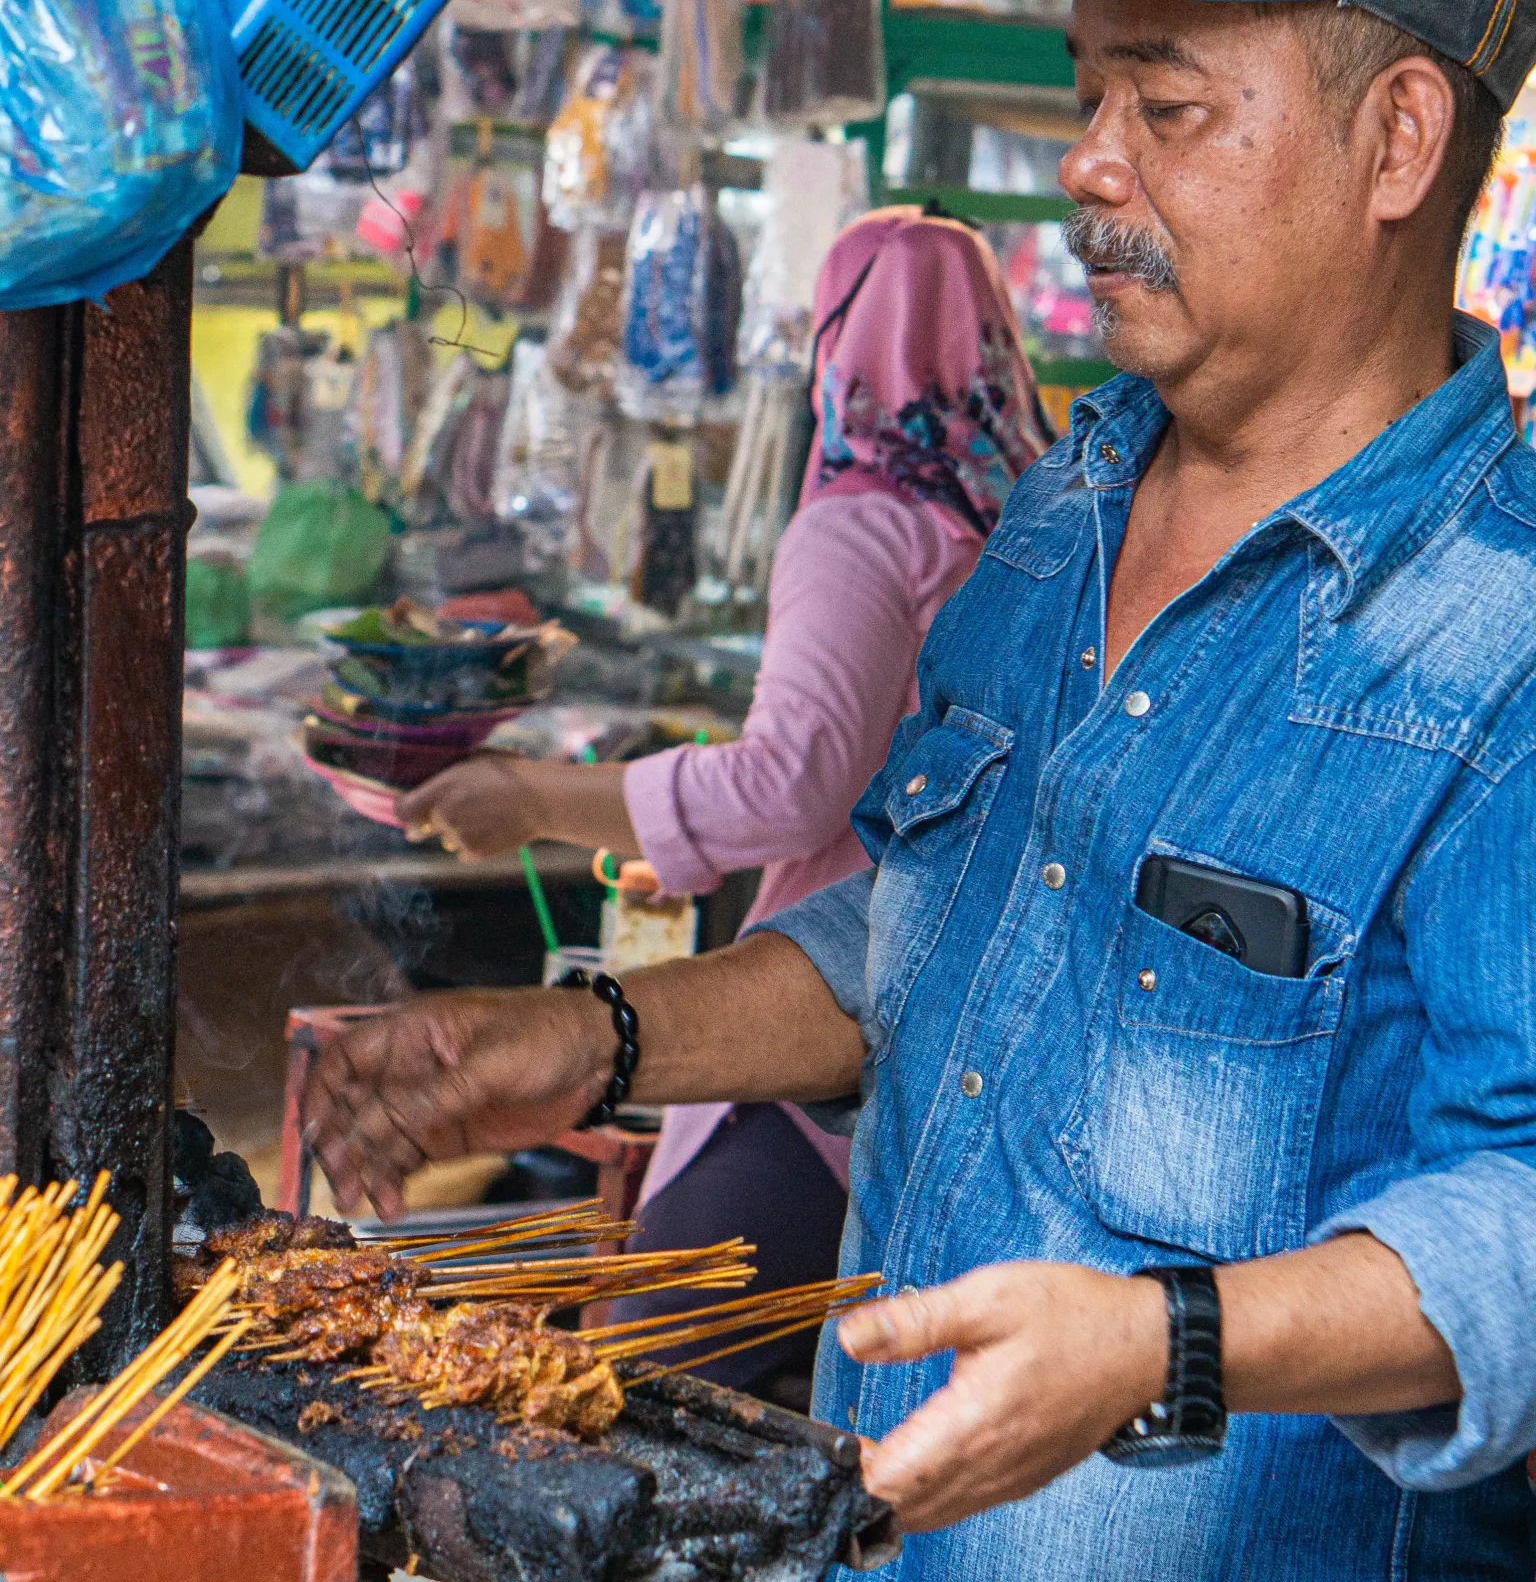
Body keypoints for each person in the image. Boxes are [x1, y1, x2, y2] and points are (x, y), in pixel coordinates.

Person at [304, 0, 1536, 1582]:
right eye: (1090, 94)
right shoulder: (1059, 509)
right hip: (876, 1563)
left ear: (1398, 140)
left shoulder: (1499, 639)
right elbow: (933, 924)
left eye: (1170, 108)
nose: (1092, 164)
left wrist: (1163, 1341)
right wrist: (606, 1041)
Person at [393, 207, 1049, 1387]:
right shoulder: (1039, 524)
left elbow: (791, 784)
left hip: (827, 1025)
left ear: (841, 342)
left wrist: (531, 795)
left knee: (638, 1382)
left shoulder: (863, 523)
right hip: (996, 1028)